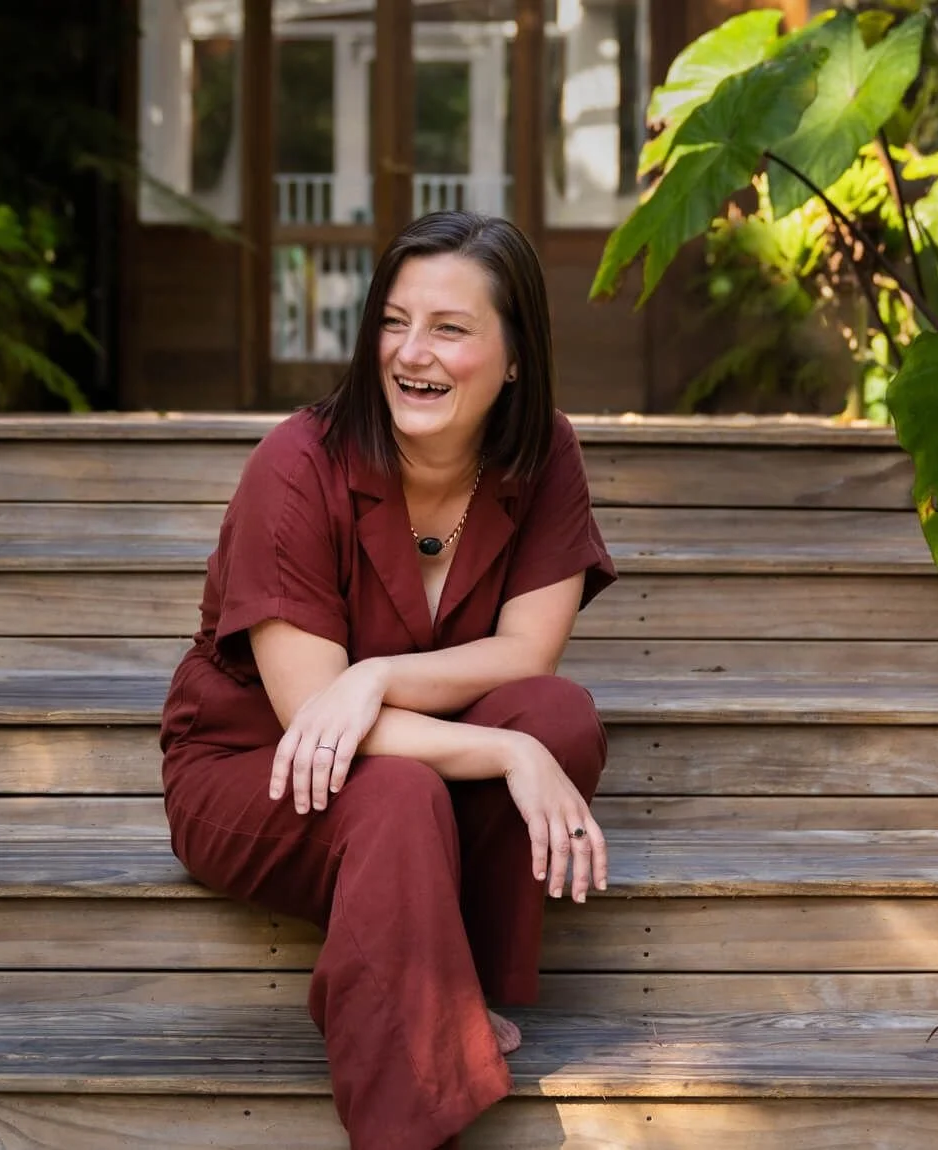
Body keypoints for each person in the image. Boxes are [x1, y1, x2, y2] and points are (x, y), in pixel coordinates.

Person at [158, 211, 618, 1149]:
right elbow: (309, 721)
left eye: (450, 328)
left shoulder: (545, 452)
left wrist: (379, 675)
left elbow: (528, 653)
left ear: (516, 355)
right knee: (413, 789)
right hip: (257, 765)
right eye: (394, 321)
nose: (413, 353)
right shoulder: (296, 465)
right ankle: (412, 1082)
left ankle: (443, 981)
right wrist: (503, 750)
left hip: (386, 748)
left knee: (558, 716)